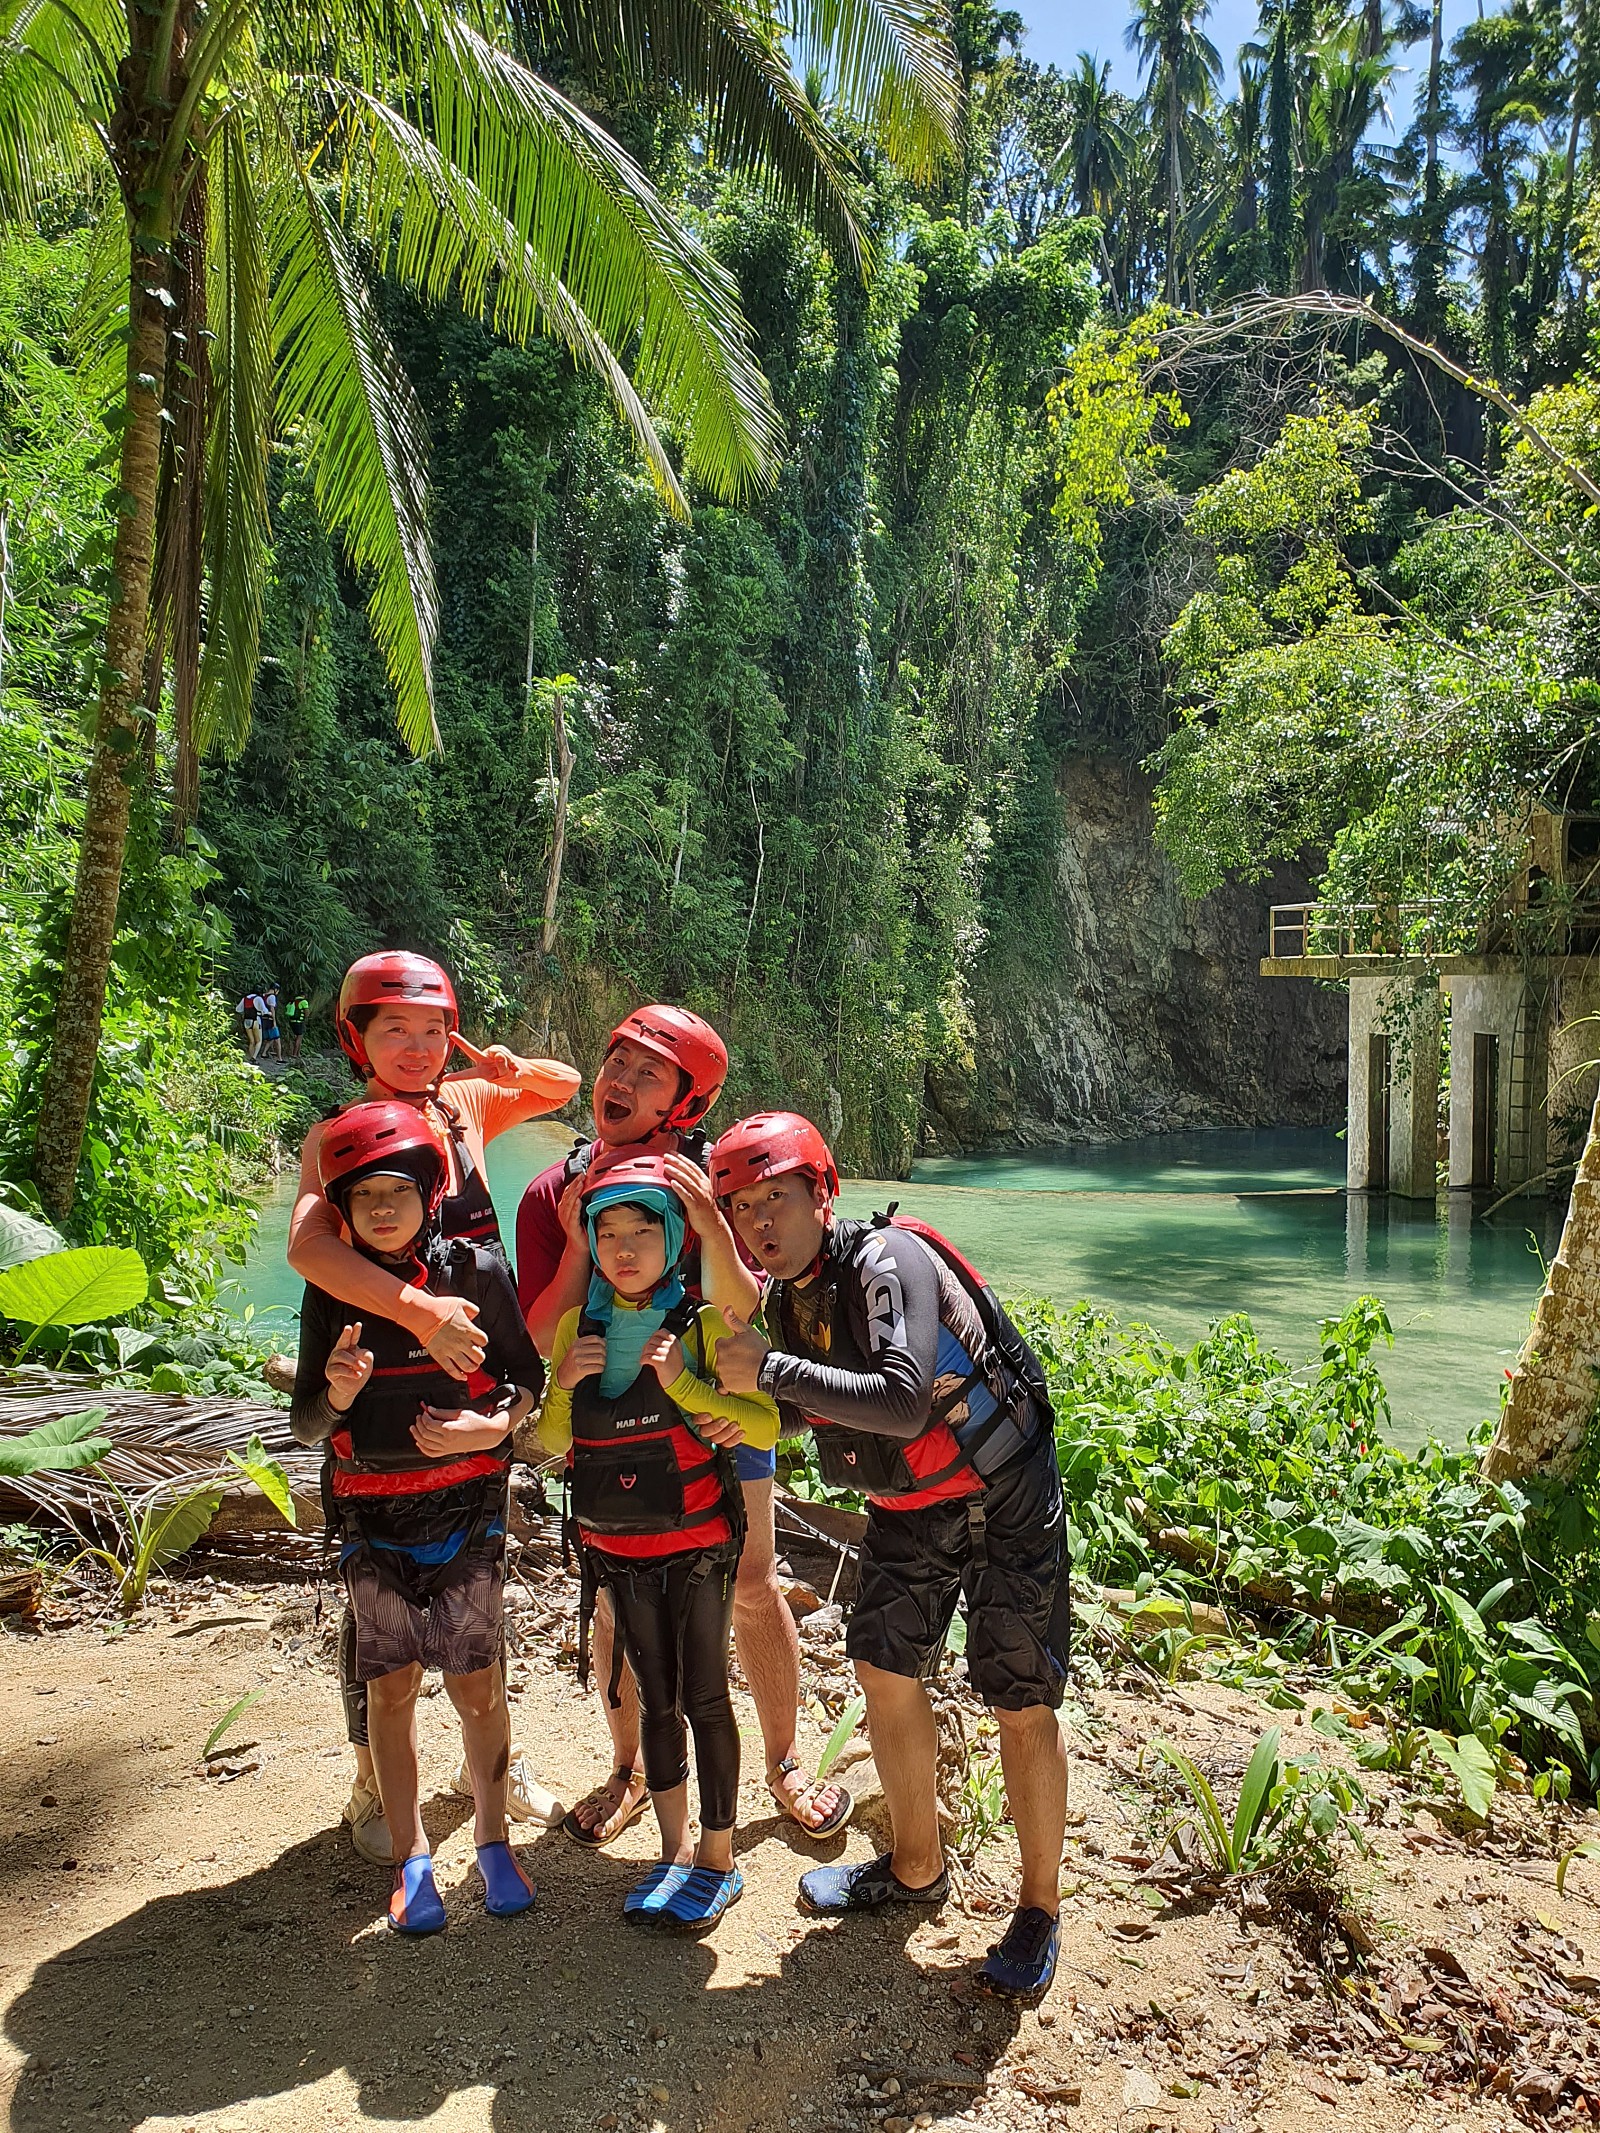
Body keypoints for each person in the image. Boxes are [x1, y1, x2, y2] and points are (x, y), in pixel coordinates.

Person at [710, 1112, 1071, 2004]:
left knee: (1019, 1694)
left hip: (1001, 1486)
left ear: (823, 1194)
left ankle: (1038, 1907)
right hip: (911, 1502)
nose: (760, 1220)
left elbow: (904, 1400)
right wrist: (749, 1410)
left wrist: (769, 1374)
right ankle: (916, 1866)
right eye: (743, 1206)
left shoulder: (885, 1261)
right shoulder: (788, 1298)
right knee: (882, 1665)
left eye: (777, 1197)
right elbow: (823, 1407)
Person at [516, 1006, 851, 1849]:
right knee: (613, 1602)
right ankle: (628, 1769)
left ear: (684, 1102)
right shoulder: (554, 1194)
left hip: (716, 1414)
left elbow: (747, 1306)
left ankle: (784, 1762)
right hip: (611, 1421)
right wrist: (577, 1246)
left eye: (648, 1073)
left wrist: (707, 1220)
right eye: (616, 1061)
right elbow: (537, 1334)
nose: (620, 1082)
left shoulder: (714, 1183)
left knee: (752, 1584)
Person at [288, 950, 581, 1864]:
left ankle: (491, 1763)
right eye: (395, 1031)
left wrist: (498, 1064)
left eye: (432, 1031)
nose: (416, 1048)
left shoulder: (466, 1101)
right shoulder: (338, 1134)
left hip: (471, 1386)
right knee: (375, 1604)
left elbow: (564, 1084)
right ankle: (372, 1778)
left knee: (479, 1582)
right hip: (378, 1389)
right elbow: (309, 1248)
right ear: (357, 1039)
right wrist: (420, 1312)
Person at [290, 1101, 543, 1934]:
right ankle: (412, 1855)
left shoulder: (476, 1273)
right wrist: (338, 1393)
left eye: (397, 1192)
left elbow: (527, 1383)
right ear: (343, 1209)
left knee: (478, 1685)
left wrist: (488, 1426)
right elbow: (307, 1424)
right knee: (390, 1689)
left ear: (430, 1195)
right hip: (373, 1519)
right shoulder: (333, 1290)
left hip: (466, 1510)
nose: (383, 1209)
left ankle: (494, 1839)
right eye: (364, 1197)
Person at [536, 1153, 780, 1931]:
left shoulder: (703, 1324)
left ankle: (719, 1858)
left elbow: (766, 1424)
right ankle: (673, 1853)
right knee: (657, 1698)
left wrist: (685, 1384)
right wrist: (563, 1384)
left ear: (674, 1238)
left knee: (705, 1693)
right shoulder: (578, 1329)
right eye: (607, 1233)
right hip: (619, 1549)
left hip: (700, 1545)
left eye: (643, 1230)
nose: (624, 1248)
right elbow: (552, 1439)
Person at [236, 992, 263, 1062]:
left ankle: (251, 1058)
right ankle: (254, 1057)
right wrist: (269, 1013)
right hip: (256, 1020)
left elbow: (238, 1009)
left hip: (247, 1021)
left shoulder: (244, 999)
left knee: (251, 1041)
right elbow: (264, 1010)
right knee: (259, 1041)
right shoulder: (258, 998)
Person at [262, 985, 283, 1061]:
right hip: (270, 1019)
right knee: (277, 1038)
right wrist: (274, 1022)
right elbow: (272, 1009)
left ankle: (264, 1053)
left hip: (263, 1019)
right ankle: (279, 1058)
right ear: (275, 989)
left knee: (271, 1038)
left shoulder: (263, 995)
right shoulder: (272, 997)